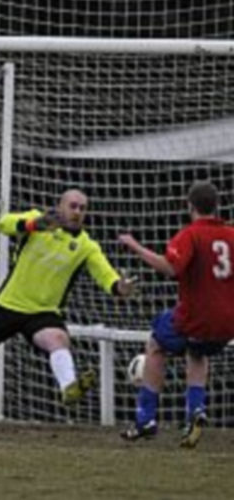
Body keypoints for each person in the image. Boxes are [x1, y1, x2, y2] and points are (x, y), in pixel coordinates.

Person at [0, 189, 136, 419]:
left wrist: (120, 287)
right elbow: (3, 224)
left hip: (42, 313)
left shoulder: (87, 246)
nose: (77, 212)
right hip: (8, 304)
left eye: (82, 209)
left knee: (58, 339)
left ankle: (69, 389)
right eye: (73, 206)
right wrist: (34, 224)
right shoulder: (38, 222)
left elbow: (106, 275)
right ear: (60, 206)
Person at [118, 181, 234, 448]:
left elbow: (170, 268)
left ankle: (145, 419)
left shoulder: (190, 234)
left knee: (156, 342)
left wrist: (135, 246)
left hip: (196, 316)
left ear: (189, 205)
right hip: (228, 322)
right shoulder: (231, 234)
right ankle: (195, 410)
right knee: (197, 350)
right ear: (217, 206)